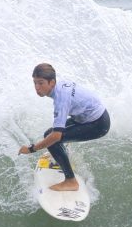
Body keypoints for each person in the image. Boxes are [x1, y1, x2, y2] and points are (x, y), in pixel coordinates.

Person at [18, 63, 110, 191]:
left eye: (41, 83)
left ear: (52, 82)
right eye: (35, 83)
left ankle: (71, 181)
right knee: (49, 134)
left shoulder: (60, 99)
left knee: (53, 140)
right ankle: (63, 155)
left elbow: (56, 136)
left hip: (98, 124)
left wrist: (31, 149)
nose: (37, 88)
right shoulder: (61, 86)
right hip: (88, 116)